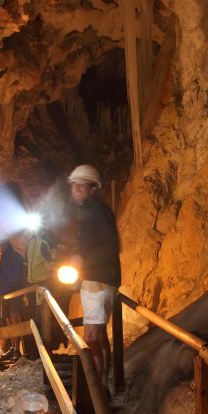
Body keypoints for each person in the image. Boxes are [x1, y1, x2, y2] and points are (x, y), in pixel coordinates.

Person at [67, 164, 120, 392]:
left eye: (82, 185)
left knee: (91, 336)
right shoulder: (91, 213)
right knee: (99, 336)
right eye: (75, 185)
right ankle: (102, 386)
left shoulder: (98, 212)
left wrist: (82, 257)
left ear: (92, 188)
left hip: (98, 281)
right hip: (97, 279)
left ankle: (97, 390)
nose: (77, 189)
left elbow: (110, 247)